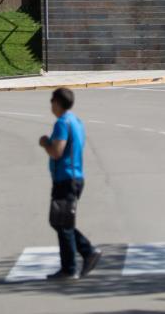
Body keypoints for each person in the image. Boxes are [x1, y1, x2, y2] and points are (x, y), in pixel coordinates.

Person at [38, 87, 101, 280]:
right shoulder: (76, 121)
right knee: (61, 222)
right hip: (75, 177)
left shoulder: (62, 123)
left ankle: (76, 261)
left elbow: (57, 151)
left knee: (62, 223)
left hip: (66, 178)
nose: (50, 104)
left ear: (58, 103)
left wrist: (45, 143)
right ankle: (80, 257)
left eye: (52, 101)